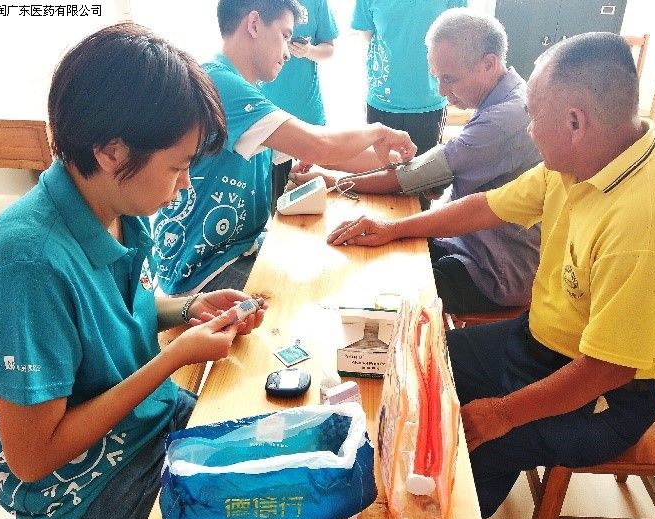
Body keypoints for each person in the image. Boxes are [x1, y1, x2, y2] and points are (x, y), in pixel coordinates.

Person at [328, 32, 655, 519]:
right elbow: (486, 206)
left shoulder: (648, 225)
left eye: (534, 116)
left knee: (471, 448)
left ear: (575, 122)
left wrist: (502, 413)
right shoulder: (577, 162)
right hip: (538, 343)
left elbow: (606, 369)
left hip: (606, 399)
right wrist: (392, 229)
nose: (528, 129)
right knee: (418, 361)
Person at [0, 23, 267, 519]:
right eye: (178, 167)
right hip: (84, 490)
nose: (184, 184)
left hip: (148, 424)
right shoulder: (26, 264)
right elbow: (33, 457)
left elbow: (115, 311)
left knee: (269, 449)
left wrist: (186, 309)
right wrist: (174, 357)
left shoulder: (118, 208)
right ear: (112, 152)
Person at [153, 0, 416, 297]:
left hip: (237, 248)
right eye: (285, 35)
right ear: (254, 24)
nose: (288, 52)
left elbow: (330, 156)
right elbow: (319, 147)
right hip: (202, 268)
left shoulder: (243, 86)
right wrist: (377, 132)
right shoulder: (220, 84)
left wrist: (395, 161)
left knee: (329, 259)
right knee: (318, 296)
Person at [289, 9, 541, 314]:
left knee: (377, 289)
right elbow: (412, 170)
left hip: (492, 271)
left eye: (449, 79)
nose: (441, 91)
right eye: (437, 77)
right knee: (369, 256)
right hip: (465, 244)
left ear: (489, 64)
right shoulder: (504, 98)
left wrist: (335, 181)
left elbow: (407, 176)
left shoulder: (503, 120)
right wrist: (331, 167)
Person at [352, 0, 466, 158]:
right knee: (382, 165)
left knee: (424, 167)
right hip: (383, 99)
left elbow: (459, 35)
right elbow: (367, 34)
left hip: (428, 101)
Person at [261, 0, 338, 212]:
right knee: (274, 198)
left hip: (307, 110)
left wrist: (308, 51)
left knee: (312, 197)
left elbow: (329, 49)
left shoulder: (317, 3)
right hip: (268, 114)